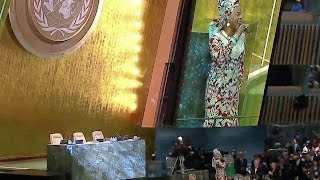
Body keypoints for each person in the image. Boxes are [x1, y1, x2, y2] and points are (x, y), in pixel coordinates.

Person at [204, 0, 248, 127]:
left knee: (231, 122)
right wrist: (236, 35)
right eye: (237, 14)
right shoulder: (216, 38)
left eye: (241, 14)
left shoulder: (242, 37)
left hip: (232, 90)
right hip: (217, 89)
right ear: (228, 15)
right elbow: (220, 59)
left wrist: (240, 75)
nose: (240, 17)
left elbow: (241, 58)